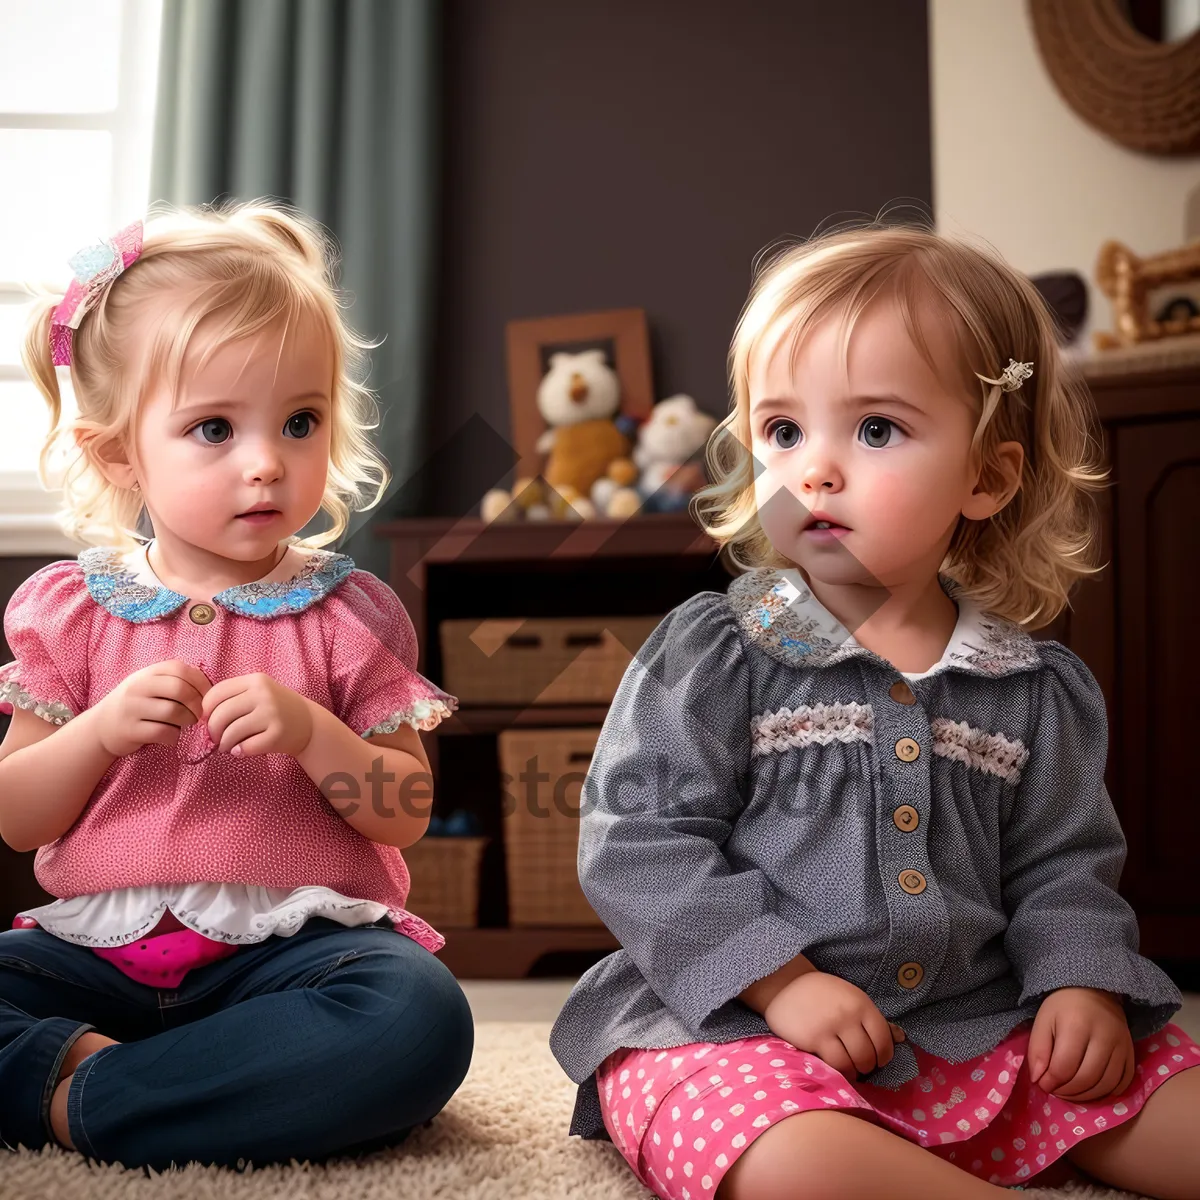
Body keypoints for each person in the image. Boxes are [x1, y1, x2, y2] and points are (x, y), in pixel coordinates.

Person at [548, 224, 1200, 1200]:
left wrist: (1078, 981)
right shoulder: (723, 651)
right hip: (740, 1026)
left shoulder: (1029, 687)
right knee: (783, 1157)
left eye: (877, 429)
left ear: (987, 477)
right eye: (782, 431)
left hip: (974, 1023)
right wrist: (783, 982)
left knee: (1157, 1093)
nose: (813, 470)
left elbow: (1064, 866)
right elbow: (637, 841)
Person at [0, 202, 473, 1174]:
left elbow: (404, 811)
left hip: (295, 959)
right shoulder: (69, 611)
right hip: (95, 958)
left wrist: (314, 734)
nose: (267, 461)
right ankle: (176, 1082)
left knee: (418, 1017)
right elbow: (16, 816)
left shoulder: (348, 613)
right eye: (214, 428)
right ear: (119, 454)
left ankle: (84, 1096)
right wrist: (96, 735)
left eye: (300, 421)